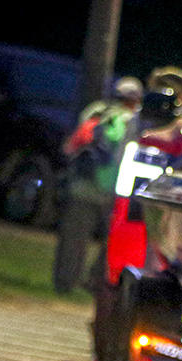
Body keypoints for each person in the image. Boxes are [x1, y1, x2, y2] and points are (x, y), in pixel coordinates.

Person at [53, 76, 143, 294]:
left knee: (73, 241)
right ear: (135, 99)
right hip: (114, 191)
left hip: (82, 186)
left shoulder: (95, 111)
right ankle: (97, 284)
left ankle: (64, 285)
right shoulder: (134, 120)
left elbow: (72, 146)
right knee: (114, 242)